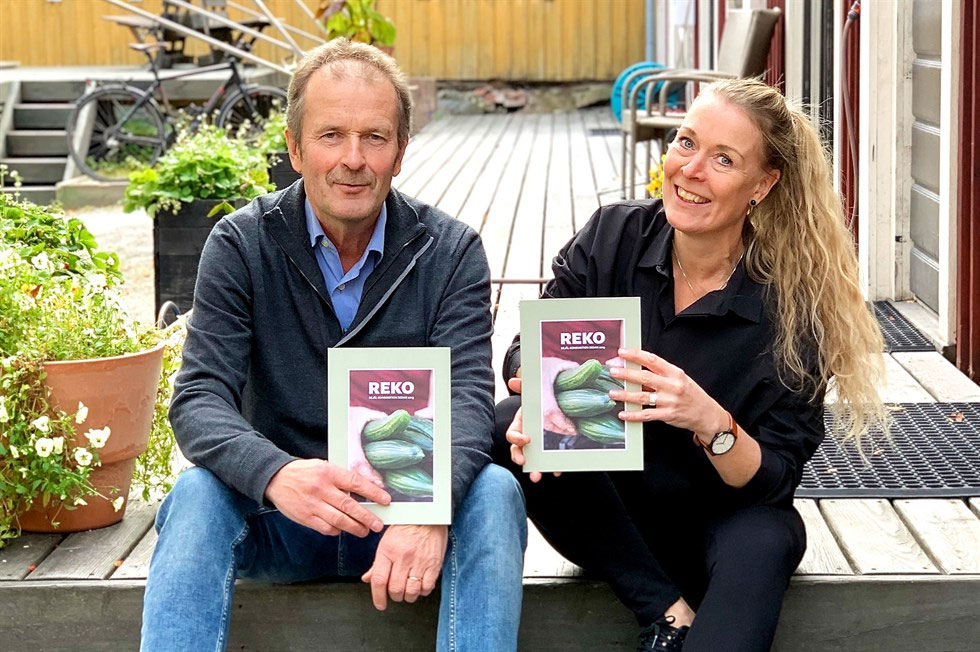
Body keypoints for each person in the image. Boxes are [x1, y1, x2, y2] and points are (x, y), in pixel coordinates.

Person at [141, 39, 527, 651]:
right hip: (281, 517)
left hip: (404, 519)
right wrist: (276, 473)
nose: (353, 159)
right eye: (331, 136)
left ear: (401, 151)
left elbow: (469, 403)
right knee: (194, 495)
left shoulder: (451, 252)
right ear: (295, 148)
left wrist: (427, 510)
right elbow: (198, 399)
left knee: (496, 492)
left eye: (375, 137)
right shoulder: (240, 244)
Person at [493, 77, 887, 652]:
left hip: (721, 522)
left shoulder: (796, 305)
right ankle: (667, 615)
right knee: (508, 422)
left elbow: (774, 477)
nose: (691, 169)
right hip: (610, 517)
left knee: (768, 535)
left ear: (763, 185)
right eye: (686, 142)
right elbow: (528, 343)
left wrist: (709, 420)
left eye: (724, 159)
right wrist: (537, 387)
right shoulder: (614, 236)